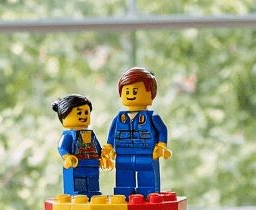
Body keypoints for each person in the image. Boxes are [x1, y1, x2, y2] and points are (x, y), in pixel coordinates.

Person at [102, 67, 171, 197]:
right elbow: (111, 134)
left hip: (146, 154)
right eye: (126, 91)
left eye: (135, 91)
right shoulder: (118, 119)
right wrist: (109, 146)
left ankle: (148, 193)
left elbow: (162, 130)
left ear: (151, 94)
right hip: (122, 155)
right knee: (123, 178)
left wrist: (161, 145)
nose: (130, 95)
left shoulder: (152, 117)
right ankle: (124, 192)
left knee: (148, 179)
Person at [51, 94, 108, 197]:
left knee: (93, 182)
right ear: (64, 116)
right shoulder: (69, 135)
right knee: (78, 184)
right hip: (76, 165)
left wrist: (103, 156)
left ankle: (93, 193)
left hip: (92, 164)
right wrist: (67, 156)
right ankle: (78, 195)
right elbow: (62, 147)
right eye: (79, 112)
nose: (83, 116)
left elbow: (97, 147)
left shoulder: (90, 134)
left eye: (86, 112)